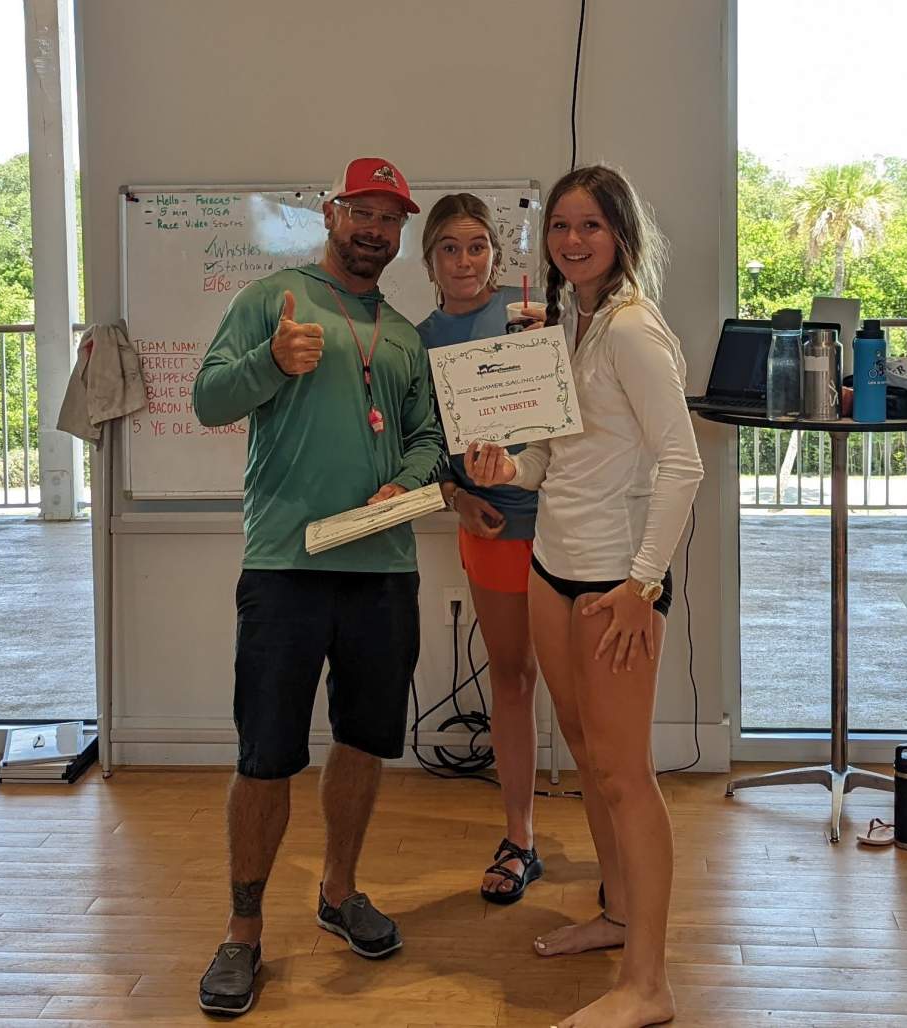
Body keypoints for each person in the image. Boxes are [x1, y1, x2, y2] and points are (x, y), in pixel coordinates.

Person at [191, 156, 444, 1017]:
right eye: (362, 212)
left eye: (391, 218)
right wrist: (269, 359)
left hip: (383, 567)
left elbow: (426, 436)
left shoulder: (406, 335)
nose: (375, 229)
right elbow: (208, 400)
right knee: (265, 754)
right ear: (332, 212)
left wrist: (399, 486)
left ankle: (339, 894)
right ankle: (242, 932)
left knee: (366, 742)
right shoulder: (275, 301)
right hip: (285, 567)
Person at [467, 164, 703, 1028]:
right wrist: (509, 466)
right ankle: (615, 917)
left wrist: (644, 584)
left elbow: (684, 465)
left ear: (621, 235)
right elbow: (556, 454)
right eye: (561, 226)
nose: (571, 241)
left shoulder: (635, 331)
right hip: (551, 568)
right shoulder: (572, 325)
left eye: (589, 227)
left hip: (614, 583)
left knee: (622, 773)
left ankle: (649, 985)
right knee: (585, 753)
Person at [414, 193, 545, 904]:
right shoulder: (419, 337)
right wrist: (458, 497)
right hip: (490, 525)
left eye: (476, 247)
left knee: (584, 689)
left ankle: (619, 848)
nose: (464, 261)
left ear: (496, 253)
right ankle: (520, 837)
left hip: (562, 524)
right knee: (513, 678)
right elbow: (423, 442)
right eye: (449, 249)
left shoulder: (532, 315)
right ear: (429, 258)